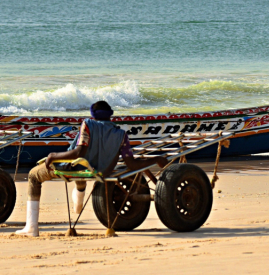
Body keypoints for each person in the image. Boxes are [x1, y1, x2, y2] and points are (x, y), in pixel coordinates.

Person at [14, 101, 168, 237]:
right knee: (81, 171)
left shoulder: (88, 125)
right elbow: (132, 165)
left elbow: (78, 152)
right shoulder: (121, 135)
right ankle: (79, 194)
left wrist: (54, 155)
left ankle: (31, 227)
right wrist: (156, 159)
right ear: (110, 116)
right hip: (100, 171)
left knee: (34, 175)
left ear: (93, 115)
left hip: (79, 167)